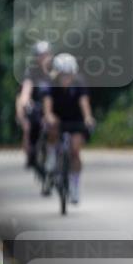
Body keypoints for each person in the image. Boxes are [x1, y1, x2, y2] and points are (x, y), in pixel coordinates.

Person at [42, 53, 96, 203]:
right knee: (52, 126)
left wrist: (88, 117)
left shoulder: (79, 83)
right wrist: (49, 116)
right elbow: (47, 104)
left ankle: (75, 185)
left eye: (69, 75)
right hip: (58, 118)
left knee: (75, 151)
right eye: (63, 75)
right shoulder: (50, 83)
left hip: (75, 120)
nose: (66, 78)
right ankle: (52, 156)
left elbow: (84, 102)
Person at [15, 41, 53, 169]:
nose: (44, 58)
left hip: (52, 106)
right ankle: (31, 154)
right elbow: (26, 91)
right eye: (40, 55)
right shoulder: (31, 72)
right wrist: (26, 102)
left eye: (46, 54)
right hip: (35, 105)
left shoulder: (55, 70)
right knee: (29, 127)